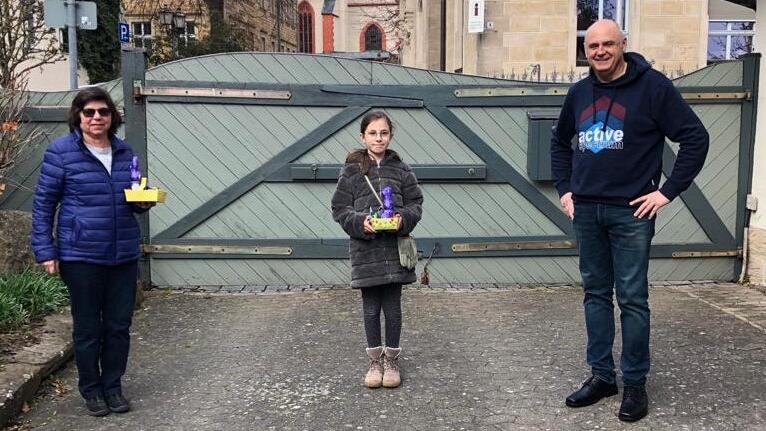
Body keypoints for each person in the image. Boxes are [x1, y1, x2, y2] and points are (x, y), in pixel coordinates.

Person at [550, 20, 709, 422]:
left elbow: (695, 137)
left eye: (608, 44)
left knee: (634, 300)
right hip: (586, 210)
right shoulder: (579, 92)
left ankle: (635, 383)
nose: (600, 51)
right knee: (595, 295)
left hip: (631, 212)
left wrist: (666, 192)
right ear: (585, 51)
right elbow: (559, 141)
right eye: (592, 46)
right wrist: (565, 189)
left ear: (624, 44)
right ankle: (602, 376)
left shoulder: (653, 88)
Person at [31, 87, 154, 416]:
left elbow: (134, 197)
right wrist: (45, 250)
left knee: (118, 326)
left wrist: (143, 201)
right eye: (89, 113)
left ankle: (113, 386)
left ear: (112, 116)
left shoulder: (126, 151)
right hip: (80, 255)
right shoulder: (60, 153)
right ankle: (92, 390)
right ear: (78, 116)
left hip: (123, 254)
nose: (96, 118)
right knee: (88, 328)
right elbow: (44, 205)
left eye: (103, 112)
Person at [331, 111, 423, 388]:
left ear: (390, 135)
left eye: (383, 133)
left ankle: (392, 362)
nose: (378, 138)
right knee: (371, 309)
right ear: (363, 136)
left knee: (393, 309)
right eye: (372, 133)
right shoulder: (351, 171)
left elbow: (415, 203)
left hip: (395, 250)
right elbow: (339, 208)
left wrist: (402, 219)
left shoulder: (402, 169)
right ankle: (374, 362)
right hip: (366, 252)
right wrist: (361, 223)